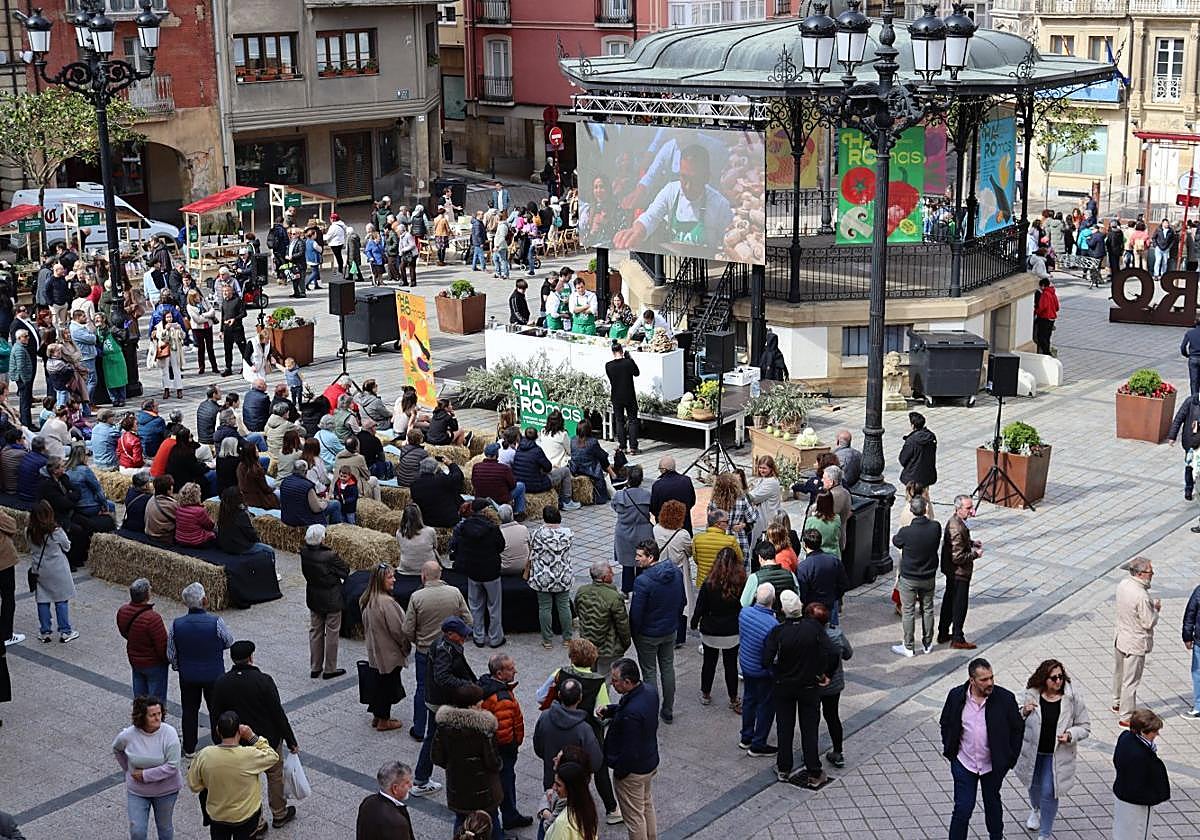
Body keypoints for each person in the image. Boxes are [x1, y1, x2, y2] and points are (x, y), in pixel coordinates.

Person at [210, 640, 299, 833]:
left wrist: (218, 741)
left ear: (232, 659)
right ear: (251, 657)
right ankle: (279, 813)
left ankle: (257, 822)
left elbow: (215, 714)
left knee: (248, 781)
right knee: (275, 775)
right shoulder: (263, 680)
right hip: (268, 739)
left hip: (238, 743)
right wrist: (291, 740)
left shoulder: (221, 683)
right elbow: (277, 713)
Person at [765, 590, 839, 786]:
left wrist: (776, 672)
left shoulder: (778, 632)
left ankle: (783, 768)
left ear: (783, 610)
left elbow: (766, 660)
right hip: (809, 686)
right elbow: (833, 652)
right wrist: (826, 674)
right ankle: (813, 769)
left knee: (784, 727)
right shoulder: (813, 628)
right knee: (809, 729)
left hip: (784, 686)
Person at [1014, 659, 1091, 840]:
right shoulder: (1030, 695)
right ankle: (1035, 809)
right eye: (1053, 678)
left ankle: (1045, 833)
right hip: (1033, 753)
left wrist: (1070, 735)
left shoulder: (1072, 699)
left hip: (1056, 754)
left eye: (1060, 677)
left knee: (1050, 791)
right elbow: (1014, 718)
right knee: (1033, 785)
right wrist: (1024, 711)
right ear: (1043, 679)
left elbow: (1085, 726)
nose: (1058, 681)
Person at [403, 563, 472, 744]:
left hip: (425, 651)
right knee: (449, 687)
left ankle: (419, 729)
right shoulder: (455, 592)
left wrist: (418, 640)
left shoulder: (417, 597)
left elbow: (407, 628)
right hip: (450, 651)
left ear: (423, 576)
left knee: (422, 688)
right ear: (440, 574)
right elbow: (468, 620)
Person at [186, 711, 281, 840]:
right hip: (246, 816)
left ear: (218, 730)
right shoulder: (249, 755)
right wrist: (251, 736)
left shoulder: (204, 755)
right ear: (239, 731)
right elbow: (273, 756)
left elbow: (194, 786)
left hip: (218, 817)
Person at [432, 684, 507, 840]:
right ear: (472, 706)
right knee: (490, 821)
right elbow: (493, 762)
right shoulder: (484, 730)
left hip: (457, 789)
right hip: (485, 791)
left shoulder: (444, 726)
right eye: (480, 703)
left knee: (461, 821)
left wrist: (454, 766)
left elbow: (436, 757)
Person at [167, 581, 233, 756]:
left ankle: (189, 747)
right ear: (204, 600)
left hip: (188, 676)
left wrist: (179, 667)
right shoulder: (216, 622)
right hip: (214, 675)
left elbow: (171, 653)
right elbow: (229, 641)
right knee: (216, 709)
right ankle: (219, 742)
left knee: (189, 711)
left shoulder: (176, 624)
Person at [598, 658, 659, 840]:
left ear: (627, 682)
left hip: (633, 772)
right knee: (646, 804)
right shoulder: (649, 691)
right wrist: (611, 710)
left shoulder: (631, 714)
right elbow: (629, 708)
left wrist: (619, 771)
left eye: (615, 680)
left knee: (634, 818)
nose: (612, 683)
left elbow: (630, 751)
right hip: (649, 761)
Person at [113, 694, 183, 840]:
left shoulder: (169, 734)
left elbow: (173, 766)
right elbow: (117, 749)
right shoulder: (128, 735)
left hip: (166, 791)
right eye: (152, 715)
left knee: (164, 828)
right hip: (138, 791)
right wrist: (129, 770)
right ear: (142, 717)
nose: (158, 718)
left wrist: (144, 775)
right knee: (137, 830)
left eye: (159, 713)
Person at [629, 539, 684, 724]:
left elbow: (636, 613)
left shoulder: (642, 581)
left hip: (648, 634)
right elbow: (682, 601)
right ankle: (668, 709)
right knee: (668, 668)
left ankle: (650, 710)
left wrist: (635, 633)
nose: (636, 558)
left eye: (639, 555)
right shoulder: (676, 573)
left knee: (649, 672)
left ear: (650, 557)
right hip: (669, 630)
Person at [478, 653, 532, 829]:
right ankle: (510, 816)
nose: (515, 671)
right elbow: (504, 733)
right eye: (510, 669)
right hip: (503, 751)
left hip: (491, 748)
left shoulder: (486, 685)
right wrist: (513, 746)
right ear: (499, 674)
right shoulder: (502, 699)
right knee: (506, 782)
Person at [532, 677, 604, 806]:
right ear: (580, 698)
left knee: (551, 807)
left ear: (559, 694)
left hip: (551, 779)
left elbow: (538, 747)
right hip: (576, 784)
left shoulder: (545, 717)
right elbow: (595, 762)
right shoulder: (584, 729)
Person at [691, 547, 745, 712]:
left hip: (711, 629)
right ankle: (733, 698)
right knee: (731, 665)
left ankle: (706, 694)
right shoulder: (740, 582)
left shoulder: (709, 583)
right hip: (732, 630)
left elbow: (700, 607)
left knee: (709, 663)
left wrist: (694, 622)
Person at [450, 498, 507, 648]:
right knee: (494, 607)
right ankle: (495, 638)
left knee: (475, 606)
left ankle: (478, 636)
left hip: (473, 571)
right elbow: (501, 546)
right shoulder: (492, 528)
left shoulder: (464, 527)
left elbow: (458, 546)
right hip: (491, 571)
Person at [361, 563, 411, 731]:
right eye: (390, 577)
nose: (394, 580)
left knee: (380, 683)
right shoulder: (387, 603)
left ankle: (377, 716)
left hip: (376, 653)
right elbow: (399, 630)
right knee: (388, 686)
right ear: (380, 580)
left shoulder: (368, 599)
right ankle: (384, 720)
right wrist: (406, 647)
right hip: (389, 654)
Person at [891, 495, 942, 657]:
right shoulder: (935, 527)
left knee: (908, 611)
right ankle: (928, 643)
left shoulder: (906, 532)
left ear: (912, 511)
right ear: (926, 509)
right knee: (928, 609)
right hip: (928, 576)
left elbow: (896, 541)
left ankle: (908, 646)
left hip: (909, 577)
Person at [297, 523, 348, 681]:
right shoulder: (330, 555)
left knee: (315, 631)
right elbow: (345, 571)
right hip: (332, 597)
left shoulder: (304, 552)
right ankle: (330, 668)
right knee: (332, 632)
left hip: (314, 595)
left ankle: (315, 667)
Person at [1113, 556, 1161, 727]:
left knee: (1119, 673)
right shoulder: (1142, 595)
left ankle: (1117, 702)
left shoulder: (1123, 584)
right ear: (1140, 574)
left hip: (1120, 636)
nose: (1152, 574)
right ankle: (1126, 715)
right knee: (1131, 680)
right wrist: (1156, 611)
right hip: (1135, 641)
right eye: (1150, 572)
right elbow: (1148, 622)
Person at [1112, 708, 1171, 840]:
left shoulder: (1125, 737)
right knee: (1139, 834)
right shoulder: (1142, 755)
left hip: (1121, 795)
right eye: (1154, 732)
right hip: (1137, 803)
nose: (1157, 734)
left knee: (1121, 833)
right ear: (1143, 732)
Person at [27, 500, 77, 643]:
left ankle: (45, 631)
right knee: (61, 600)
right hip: (57, 569)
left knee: (42, 599)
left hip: (40, 569)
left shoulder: (29, 531)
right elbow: (67, 547)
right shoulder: (56, 532)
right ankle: (65, 631)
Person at [738, 582, 779, 757]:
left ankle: (746, 736)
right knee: (765, 706)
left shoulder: (744, 613)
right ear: (773, 599)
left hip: (746, 665)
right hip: (762, 671)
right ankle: (758, 743)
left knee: (749, 700)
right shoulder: (773, 625)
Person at [938, 495, 982, 650]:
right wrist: (975, 554)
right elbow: (957, 557)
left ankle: (943, 632)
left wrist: (971, 543)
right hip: (959, 573)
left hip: (952, 571)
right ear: (958, 508)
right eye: (968, 508)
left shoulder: (956, 522)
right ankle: (958, 637)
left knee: (949, 601)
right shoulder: (956, 528)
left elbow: (959, 543)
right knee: (959, 605)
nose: (972, 511)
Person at [528, 505, 575, 649]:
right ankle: (567, 638)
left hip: (544, 577)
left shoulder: (537, 534)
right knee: (564, 606)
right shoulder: (568, 533)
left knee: (544, 608)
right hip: (563, 576)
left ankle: (547, 640)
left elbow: (532, 550)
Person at [574, 560, 631, 679]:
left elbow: (578, 611)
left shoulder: (581, 591)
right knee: (604, 678)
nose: (613, 574)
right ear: (604, 578)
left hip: (588, 644)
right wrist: (626, 643)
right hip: (608, 648)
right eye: (611, 572)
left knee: (589, 675)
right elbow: (622, 625)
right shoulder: (614, 597)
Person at [117, 578, 170, 701]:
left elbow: (124, 632)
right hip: (154, 665)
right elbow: (162, 647)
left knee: (140, 697)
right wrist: (166, 661)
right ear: (146, 595)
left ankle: (140, 712)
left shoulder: (123, 611)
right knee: (156, 701)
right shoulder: (153, 618)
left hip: (135, 661)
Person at [653, 499, 693, 646]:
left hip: (660, 569)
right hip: (679, 571)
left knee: (663, 603)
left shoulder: (656, 529)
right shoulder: (683, 534)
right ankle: (679, 638)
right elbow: (689, 551)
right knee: (681, 603)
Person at [611, 465, 655, 594]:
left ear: (628, 479)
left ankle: (626, 591)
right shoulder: (647, 495)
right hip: (644, 532)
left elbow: (614, 507)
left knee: (627, 565)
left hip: (624, 532)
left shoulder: (619, 496)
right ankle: (641, 591)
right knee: (643, 564)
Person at [356, 761, 415, 840]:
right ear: (395, 788)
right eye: (407, 782)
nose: (411, 785)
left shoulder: (368, 801)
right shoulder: (397, 823)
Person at [708, 471, 757, 562]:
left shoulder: (714, 501)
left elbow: (710, 522)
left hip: (720, 540)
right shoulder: (742, 498)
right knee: (741, 568)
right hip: (739, 539)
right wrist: (743, 524)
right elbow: (752, 518)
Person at [605, 343, 640, 454]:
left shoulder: (608, 365)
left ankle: (622, 446)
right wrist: (630, 359)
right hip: (629, 395)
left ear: (613, 352)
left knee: (619, 421)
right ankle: (633, 447)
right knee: (632, 420)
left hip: (616, 396)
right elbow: (637, 373)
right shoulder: (628, 363)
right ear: (622, 350)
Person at [412, 456, 465, 528]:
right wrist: (450, 464)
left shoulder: (414, 485)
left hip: (426, 521)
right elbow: (458, 476)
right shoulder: (442, 480)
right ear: (435, 469)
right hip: (447, 521)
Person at [473, 441, 525, 515]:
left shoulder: (476, 467)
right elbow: (513, 485)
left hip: (481, 499)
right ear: (496, 454)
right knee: (521, 485)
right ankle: (518, 512)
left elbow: (474, 483)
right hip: (500, 500)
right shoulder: (504, 468)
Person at [150, 312, 185, 400]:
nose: (169, 319)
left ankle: (179, 389)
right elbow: (160, 337)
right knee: (164, 370)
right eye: (167, 317)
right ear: (164, 318)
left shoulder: (175, 325)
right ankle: (166, 389)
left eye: (170, 317)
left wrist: (179, 329)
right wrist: (165, 330)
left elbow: (183, 336)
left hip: (174, 349)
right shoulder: (159, 326)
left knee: (176, 369)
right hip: (164, 349)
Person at [898, 411, 937, 487]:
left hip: (912, 478)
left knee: (912, 494)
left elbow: (902, 459)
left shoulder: (911, 441)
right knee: (924, 493)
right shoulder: (931, 437)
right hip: (927, 476)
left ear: (913, 426)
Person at [1032, 277, 1059, 356]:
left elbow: (1042, 307)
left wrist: (1036, 312)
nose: (1040, 288)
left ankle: (1046, 353)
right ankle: (1047, 352)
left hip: (1045, 318)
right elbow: (1057, 307)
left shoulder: (1045, 294)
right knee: (1047, 337)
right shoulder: (1053, 293)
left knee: (1041, 337)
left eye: (1040, 286)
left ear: (1043, 285)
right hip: (1052, 318)